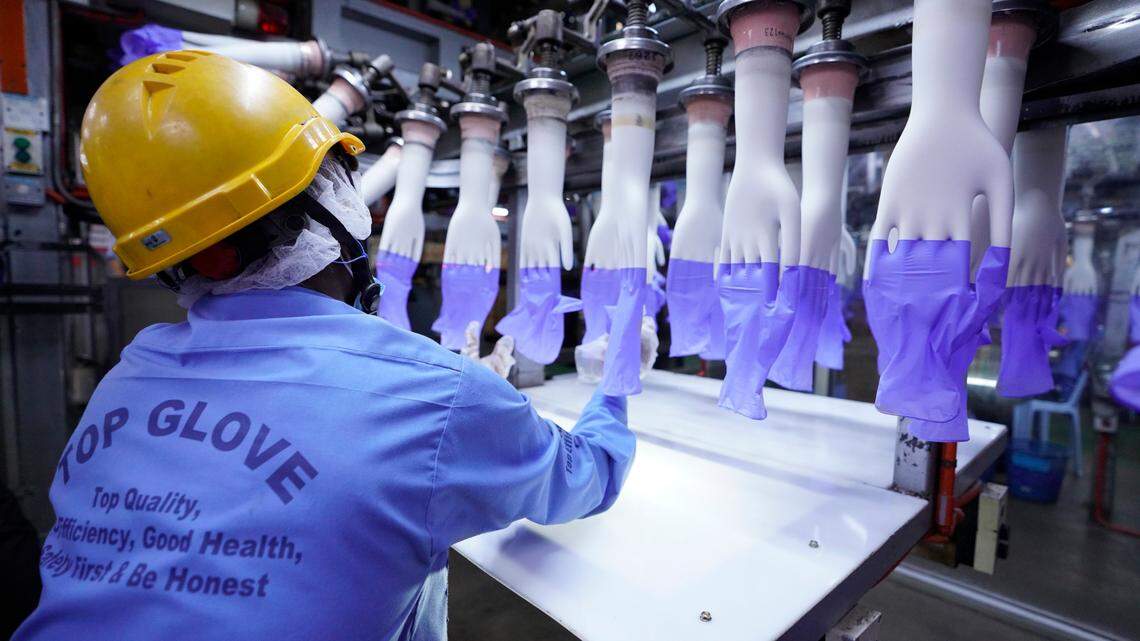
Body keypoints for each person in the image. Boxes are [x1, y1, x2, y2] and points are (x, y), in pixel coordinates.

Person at [14, 51, 634, 641]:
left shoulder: (128, 376)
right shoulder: (432, 395)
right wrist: (613, 383)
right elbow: (585, 476)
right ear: (329, 206)